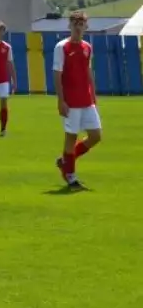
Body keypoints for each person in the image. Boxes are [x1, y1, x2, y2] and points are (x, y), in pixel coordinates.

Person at [53, 11, 100, 189]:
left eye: (81, 24)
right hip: (71, 101)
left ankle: (65, 160)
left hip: (87, 100)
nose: (78, 27)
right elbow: (57, 75)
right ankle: (70, 176)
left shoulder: (88, 47)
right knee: (71, 137)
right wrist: (61, 100)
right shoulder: (61, 47)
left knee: (96, 136)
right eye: (75, 24)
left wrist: (93, 94)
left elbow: (88, 71)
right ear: (69, 26)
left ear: (86, 27)